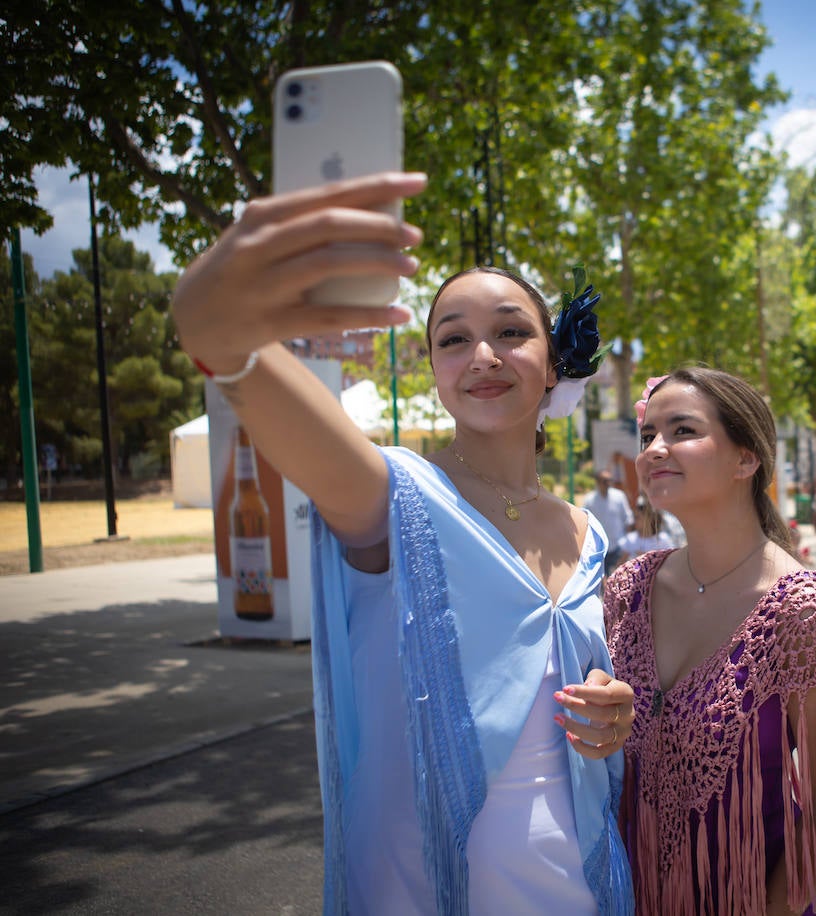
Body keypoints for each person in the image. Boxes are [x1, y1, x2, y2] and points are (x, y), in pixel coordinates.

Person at [171, 173, 634, 914]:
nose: (481, 353)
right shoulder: (395, 496)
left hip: (584, 886)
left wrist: (614, 715)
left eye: (511, 331)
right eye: (453, 339)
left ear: (553, 365)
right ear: (437, 372)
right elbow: (242, 366)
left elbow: (569, 703)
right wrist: (216, 322)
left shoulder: (588, 535)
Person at [605, 367, 816, 915]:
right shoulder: (627, 590)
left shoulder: (802, 612)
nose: (656, 449)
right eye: (648, 435)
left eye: (682, 430)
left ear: (746, 459)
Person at [584, 468, 635, 570]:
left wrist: (627, 541)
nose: (608, 483)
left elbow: (628, 518)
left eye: (610, 480)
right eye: (604, 480)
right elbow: (585, 522)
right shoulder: (589, 500)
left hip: (618, 546)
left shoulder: (619, 496)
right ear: (598, 482)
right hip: (598, 548)